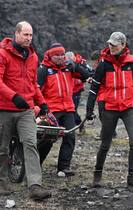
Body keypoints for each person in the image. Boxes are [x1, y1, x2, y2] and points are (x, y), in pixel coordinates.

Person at [0, 21, 51, 200]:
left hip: (26, 110)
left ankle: (35, 186)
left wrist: (42, 102)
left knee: (30, 143)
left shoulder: (33, 56)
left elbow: (33, 83)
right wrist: (13, 96)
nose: (29, 38)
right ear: (16, 34)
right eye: (25, 34)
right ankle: (0, 182)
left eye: (31, 35)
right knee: (3, 147)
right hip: (5, 108)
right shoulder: (2, 54)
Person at [86, 32, 133, 188]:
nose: (111, 47)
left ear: (123, 45)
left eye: (114, 44)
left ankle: (132, 177)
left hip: (129, 108)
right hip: (110, 108)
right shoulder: (103, 64)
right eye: (110, 44)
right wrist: (89, 109)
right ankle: (97, 174)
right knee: (105, 144)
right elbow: (94, 88)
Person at [37, 44, 90, 177]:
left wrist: (75, 65)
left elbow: (86, 75)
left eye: (62, 54)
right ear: (51, 56)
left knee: (70, 137)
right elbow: (37, 90)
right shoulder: (44, 70)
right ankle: (35, 165)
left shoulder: (69, 67)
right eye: (57, 55)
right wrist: (39, 108)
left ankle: (64, 167)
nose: (60, 57)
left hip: (68, 108)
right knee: (48, 139)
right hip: (52, 110)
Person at [65, 51, 93, 135]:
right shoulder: (65, 64)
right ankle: (70, 128)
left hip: (76, 90)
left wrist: (81, 79)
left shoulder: (81, 63)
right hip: (68, 91)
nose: (69, 62)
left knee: (72, 110)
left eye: (70, 60)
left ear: (74, 58)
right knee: (68, 110)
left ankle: (79, 126)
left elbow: (90, 73)